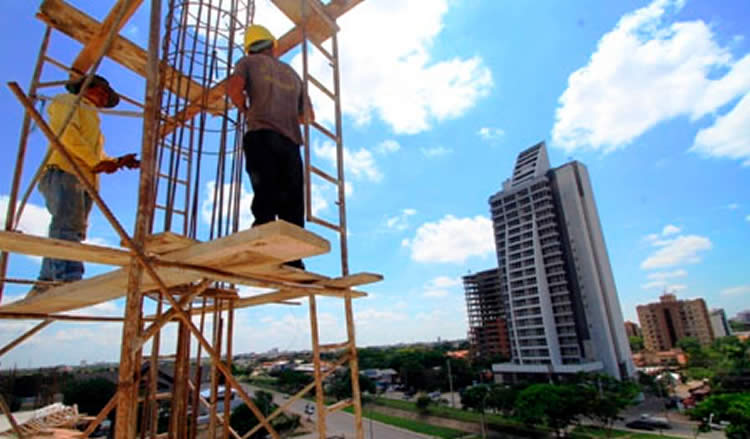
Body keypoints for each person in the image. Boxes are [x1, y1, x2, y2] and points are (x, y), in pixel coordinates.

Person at [28, 75, 140, 297]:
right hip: (65, 171)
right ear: (87, 87)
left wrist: (117, 162)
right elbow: (66, 134)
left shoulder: (92, 118)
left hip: (83, 177)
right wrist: (96, 162)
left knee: (72, 228)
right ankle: (67, 278)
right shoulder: (67, 102)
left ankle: (45, 282)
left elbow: (96, 155)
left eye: (106, 95)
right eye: (102, 91)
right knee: (67, 225)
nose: (104, 96)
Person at [226, 24, 314, 270]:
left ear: (251, 48)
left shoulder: (247, 62)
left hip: (262, 134)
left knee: (265, 190)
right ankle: (293, 259)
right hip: (291, 144)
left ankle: (264, 240)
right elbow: (308, 116)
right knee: (292, 201)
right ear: (273, 46)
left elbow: (233, 89)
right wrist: (285, 113)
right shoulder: (292, 74)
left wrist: (244, 108)